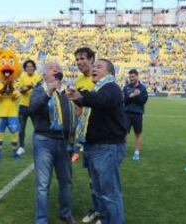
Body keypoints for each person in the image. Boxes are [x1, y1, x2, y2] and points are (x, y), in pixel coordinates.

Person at [68, 59, 127, 224]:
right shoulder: (100, 89)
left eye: (99, 67)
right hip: (97, 146)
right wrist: (77, 98)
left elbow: (102, 101)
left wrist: (82, 97)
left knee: (109, 193)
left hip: (107, 147)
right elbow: (96, 102)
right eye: (94, 66)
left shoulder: (111, 88)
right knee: (101, 191)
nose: (94, 69)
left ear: (109, 73)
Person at [29, 62, 76, 224]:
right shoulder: (39, 90)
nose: (56, 69)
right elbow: (32, 109)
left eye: (58, 68)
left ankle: (65, 212)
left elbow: (70, 116)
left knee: (66, 181)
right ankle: (41, 219)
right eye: (51, 68)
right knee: (43, 184)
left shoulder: (65, 92)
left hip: (62, 142)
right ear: (44, 75)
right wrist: (48, 92)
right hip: (44, 140)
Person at [73, 47, 101, 223]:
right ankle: (97, 209)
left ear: (92, 59)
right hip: (86, 134)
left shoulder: (100, 79)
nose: (79, 62)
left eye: (83, 58)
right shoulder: (78, 81)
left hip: (102, 134)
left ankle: (104, 212)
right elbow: (78, 110)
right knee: (91, 175)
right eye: (77, 59)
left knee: (102, 175)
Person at [0, 76, 21, 162]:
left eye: (9, 78)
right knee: (0, 134)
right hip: (1, 114)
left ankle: (15, 154)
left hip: (12, 114)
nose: (7, 79)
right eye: (5, 78)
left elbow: (17, 96)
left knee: (14, 134)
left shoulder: (14, 86)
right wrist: (3, 90)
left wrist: (11, 90)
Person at [17, 60, 41, 155]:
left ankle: (38, 146)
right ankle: (21, 146)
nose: (29, 68)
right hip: (23, 106)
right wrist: (30, 86)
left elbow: (40, 89)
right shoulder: (22, 76)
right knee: (21, 128)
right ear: (25, 68)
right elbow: (21, 90)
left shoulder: (38, 76)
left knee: (37, 127)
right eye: (27, 66)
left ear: (34, 67)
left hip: (35, 106)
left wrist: (29, 87)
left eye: (31, 66)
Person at [123, 69, 148, 161]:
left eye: (133, 76)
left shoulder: (143, 88)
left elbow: (143, 101)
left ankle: (136, 152)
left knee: (138, 133)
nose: (131, 78)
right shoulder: (126, 87)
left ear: (137, 76)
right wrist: (131, 96)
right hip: (126, 113)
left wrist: (138, 96)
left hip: (137, 114)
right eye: (130, 77)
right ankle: (123, 150)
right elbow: (124, 100)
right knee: (124, 132)